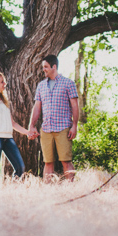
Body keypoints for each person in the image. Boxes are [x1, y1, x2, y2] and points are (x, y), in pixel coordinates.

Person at [28, 54, 79, 182]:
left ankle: (72, 188)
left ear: (54, 67)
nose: (43, 69)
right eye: (43, 67)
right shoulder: (41, 86)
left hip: (63, 128)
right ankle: (48, 192)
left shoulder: (68, 83)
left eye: (46, 67)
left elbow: (75, 106)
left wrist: (74, 125)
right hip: (46, 129)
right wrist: (32, 125)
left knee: (65, 161)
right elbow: (37, 107)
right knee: (48, 162)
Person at [0, 72, 30, 183]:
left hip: (8, 138)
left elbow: (12, 123)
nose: (5, 83)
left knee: (20, 167)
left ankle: (13, 190)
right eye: (2, 82)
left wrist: (27, 132)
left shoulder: (4, 102)